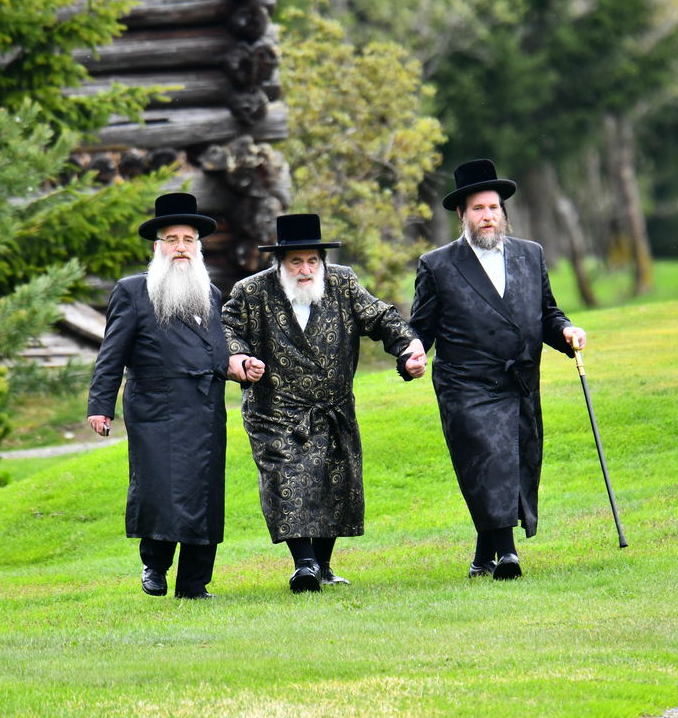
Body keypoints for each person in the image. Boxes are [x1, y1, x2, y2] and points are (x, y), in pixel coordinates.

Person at [221, 213, 427, 593]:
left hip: (333, 406)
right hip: (275, 411)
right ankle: (304, 564)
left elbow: (380, 317)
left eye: (312, 260)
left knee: (332, 482)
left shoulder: (342, 282)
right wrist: (239, 359)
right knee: (288, 479)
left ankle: (323, 565)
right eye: (296, 261)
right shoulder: (252, 292)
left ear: (322, 261)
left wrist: (408, 348)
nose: (305, 269)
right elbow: (227, 330)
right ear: (279, 263)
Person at [409, 159, 586, 580]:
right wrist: (412, 351)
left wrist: (567, 331)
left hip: (519, 380)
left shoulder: (530, 254)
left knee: (514, 462)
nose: (487, 216)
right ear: (461, 215)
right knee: (489, 459)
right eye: (478, 209)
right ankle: (507, 555)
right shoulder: (438, 264)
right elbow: (421, 325)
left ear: (503, 212)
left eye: (493, 208)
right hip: (465, 384)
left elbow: (546, 314)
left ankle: (482, 556)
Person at [87, 192, 231, 600]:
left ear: (197, 247)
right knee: (161, 490)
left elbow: (216, 351)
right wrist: (101, 405)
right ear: (157, 247)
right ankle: (155, 564)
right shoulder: (133, 291)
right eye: (172, 239)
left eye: (188, 239)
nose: (181, 247)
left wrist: (239, 366)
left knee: (206, 495)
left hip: (205, 411)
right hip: (156, 410)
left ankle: (194, 584)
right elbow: (111, 354)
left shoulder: (211, 294)